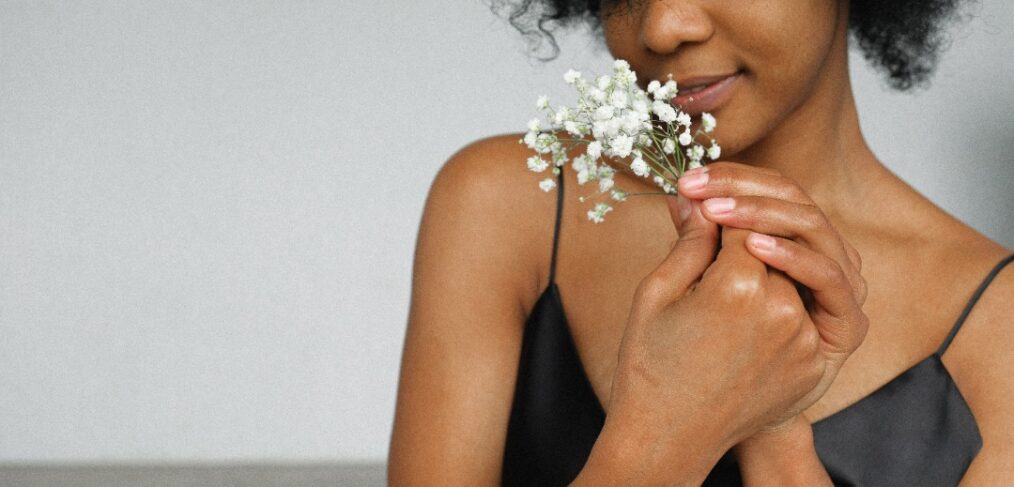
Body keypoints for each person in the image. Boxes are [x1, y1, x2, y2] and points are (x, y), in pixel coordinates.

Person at [388, 0, 1014, 484]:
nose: (661, 26)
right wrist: (663, 436)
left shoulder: (998, 325)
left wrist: (774, 424)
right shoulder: (508, 204)